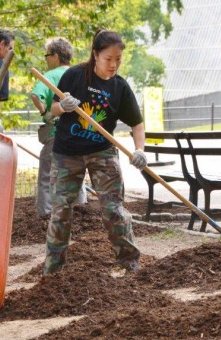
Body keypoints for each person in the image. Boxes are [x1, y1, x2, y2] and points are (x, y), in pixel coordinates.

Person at [43, 30, 148, 275]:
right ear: (95, 55)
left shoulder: (120, 88)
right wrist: (63, 106)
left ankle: (129, 263)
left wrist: (140, 150)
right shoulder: (74, 75)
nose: (113, 65)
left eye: (118, 59)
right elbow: (51, 110)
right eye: (108, 58)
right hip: (66, 153)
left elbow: (137, 124)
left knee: (114, 210)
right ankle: (53, 271)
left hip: (102, 152)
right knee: (61, 212)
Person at [30, 37, 86, 219]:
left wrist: (46, 112)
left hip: (56, 134)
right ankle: (80, 209)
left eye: (47, 55)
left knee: (47, 173)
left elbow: (36, 96)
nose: (46, 59)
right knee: (76, 173)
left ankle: (45, 214)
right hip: (80, 134)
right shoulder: (80, 74)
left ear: (55, 56)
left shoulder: (50, 76)